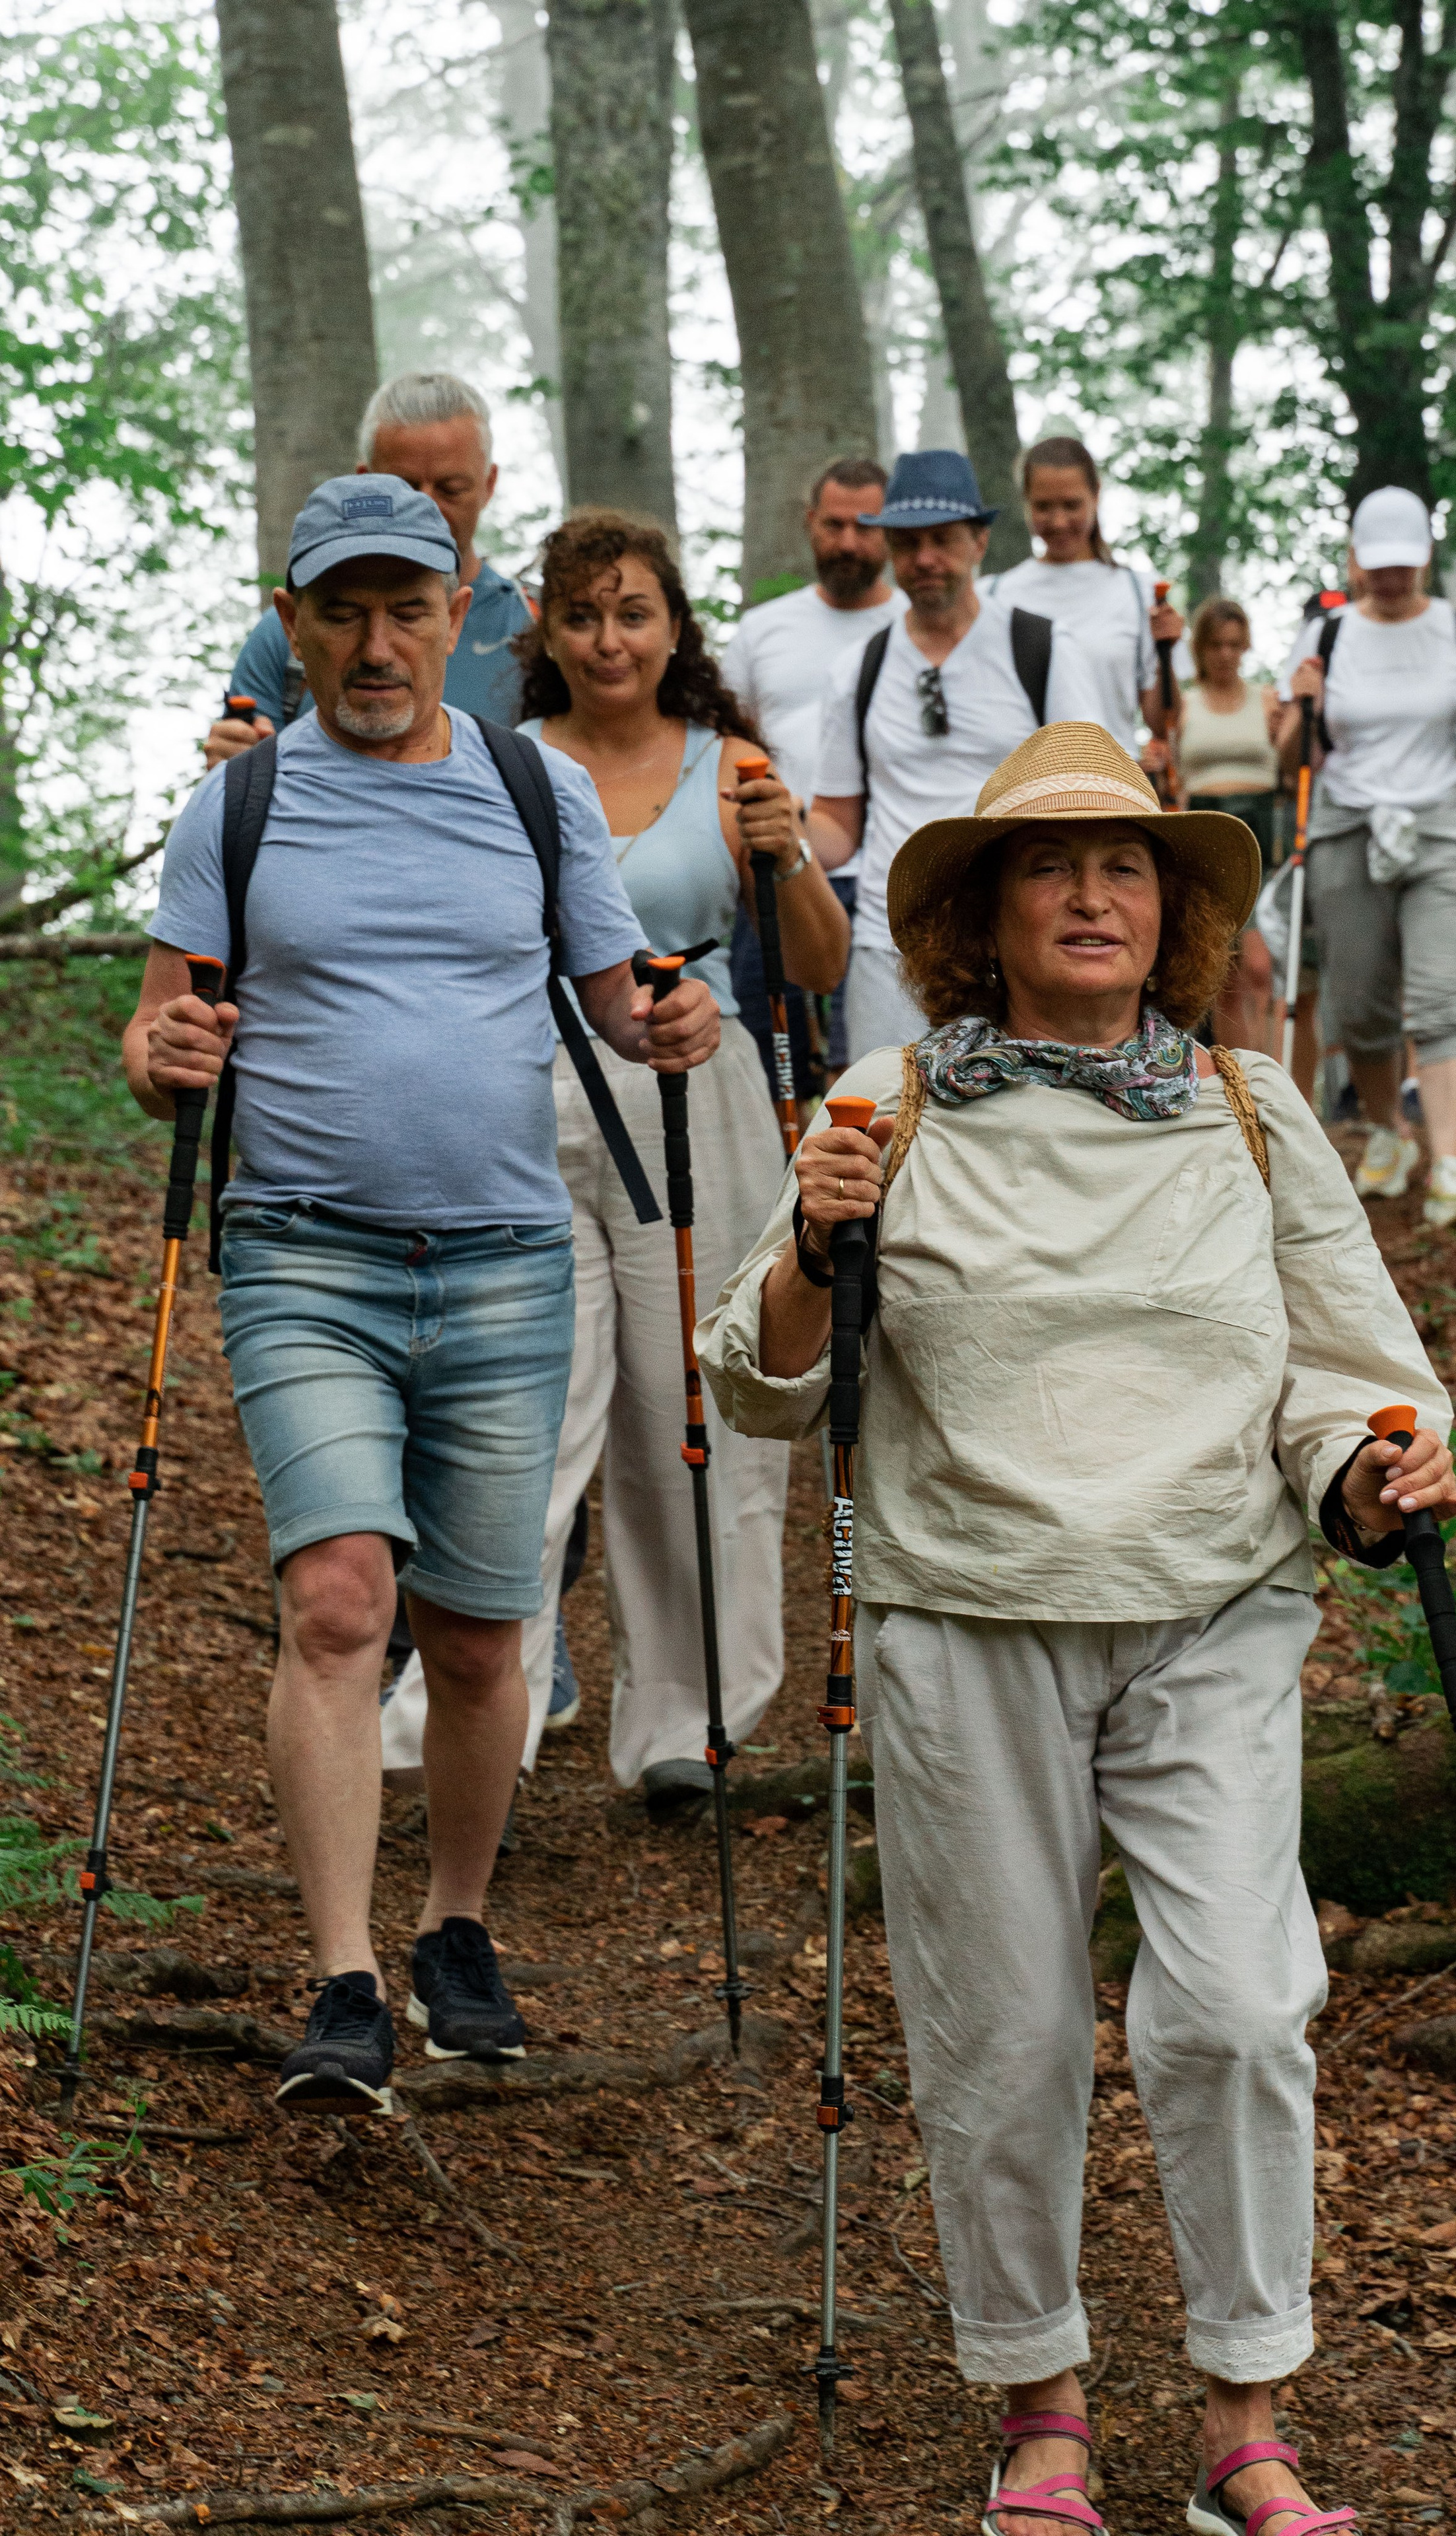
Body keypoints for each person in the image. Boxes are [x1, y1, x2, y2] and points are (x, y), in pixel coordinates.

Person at [700, 719, 1456, 2536]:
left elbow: (1349, 1386)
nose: (1098, 895)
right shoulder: (885, 1110)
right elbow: (755, 1384)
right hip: (970, 1615)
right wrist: (817, 1248)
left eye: (1129, 866)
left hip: (1211, 1608)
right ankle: (1040, 2407)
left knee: (1242, 2005)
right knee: (1007, 2028)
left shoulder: (1245, 1110)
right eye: (1056, 866)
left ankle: (1243, 2419)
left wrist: (1372, 1473)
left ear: (1173, 912)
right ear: (986, 910)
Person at [123, 477, 716, 2107]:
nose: (374, 643)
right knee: (336, 1599)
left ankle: (454, 1923)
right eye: (342, 610)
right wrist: (162, 1052)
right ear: (296, 621)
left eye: (406, 609)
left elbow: (617, 994)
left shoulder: (532, 792)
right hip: (304, 1253)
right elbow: (163, 1027)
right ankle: (343, 1978)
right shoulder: (234, 813)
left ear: (460, 616)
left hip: (508, 1263)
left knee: (473, 1632)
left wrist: (674, 1020)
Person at [382, 509, 848, 1814]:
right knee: (522, 1398)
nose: (606, 639)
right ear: (544, 630)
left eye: (630, 610)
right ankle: (470, 1716)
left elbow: (813, 967)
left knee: (687, 1400)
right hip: (527, 1090)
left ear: (672, 624)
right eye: (580, 613)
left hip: (698, 1090)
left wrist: (786, 852)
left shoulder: (731, 762)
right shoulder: (498, 761)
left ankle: (684, 1720)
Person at [809, 448, 1108, 1061]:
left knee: (1018, 1135)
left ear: (980, 541)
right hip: (888, 947)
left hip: (1016, 944)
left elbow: (1092, 793)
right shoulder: (858, 670)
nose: (924, 560)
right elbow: (838, 825)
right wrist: (777, 832)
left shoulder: (1042, 650)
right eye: (907, 543)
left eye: (942, 540)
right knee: (889, 1133)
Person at [1281, 485, 1456, 1228]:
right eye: (1377, 565)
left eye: (1404, 565)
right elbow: (1289, 755)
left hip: (1443, 819)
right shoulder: (1325, 637)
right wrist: (1299, 705)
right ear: (1354, 560)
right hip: (1346, 820)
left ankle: (1450, 1165)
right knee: (1357, 1002)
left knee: (1443, 988)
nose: (1389, 578)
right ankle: (1390, 1133)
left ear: (1425, 559)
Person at [203, 372, 535, 765]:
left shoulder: (535, 629)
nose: (428, 508)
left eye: (451, 488)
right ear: (364, 480)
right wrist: (233, 770)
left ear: (489, 483)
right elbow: (244, 781)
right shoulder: (288, 637)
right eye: (404, 488)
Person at [721, 457, 899, 1082]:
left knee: (875, 1070)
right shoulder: (763, 631)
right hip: (774, 870)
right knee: (769, 1059)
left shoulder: (911, 630)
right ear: (809, 524)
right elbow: (723, 741)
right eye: (833, 525)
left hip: (886, 879)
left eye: (866, 526)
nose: (848, 542)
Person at [988, 435, 1185, 756]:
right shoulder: (995, 595)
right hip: (1023, 791)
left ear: (1096, 496)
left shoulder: (1139, 593)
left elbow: (1162, 724)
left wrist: (1166, 655)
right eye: (1043, 507)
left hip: (1113, 787)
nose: (1059, 521)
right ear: (1025, 502)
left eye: (1071, 505)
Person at [1181, 596, 1281, 1052]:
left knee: (1262, 965)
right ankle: (1241, 1088)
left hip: (1262, 830)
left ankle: (1274, 1082)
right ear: (1201, 648)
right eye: (1217, 645)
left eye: (1236, 645)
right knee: (1228, 970)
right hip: (1208, 830)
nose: (1226, 655)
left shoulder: (1267, 700)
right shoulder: (1183, 705)